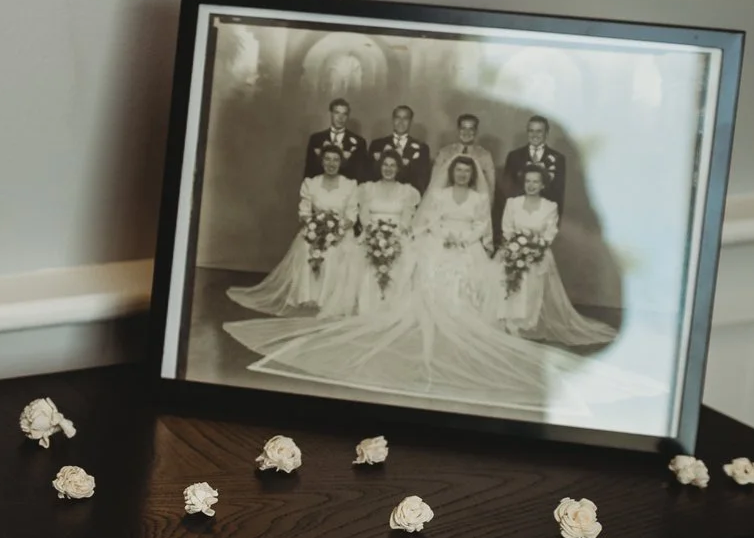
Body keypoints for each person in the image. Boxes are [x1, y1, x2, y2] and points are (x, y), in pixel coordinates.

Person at [224, 155, 654, 413]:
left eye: (468, 174)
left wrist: (464, 238)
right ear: (453, 176)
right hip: (440, 243)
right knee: (429, 263)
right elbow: (426, 224)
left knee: (468, 266)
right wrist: (441, 235)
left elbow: (486, 231)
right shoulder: (440, 196)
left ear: (473, 177)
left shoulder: (482, 200)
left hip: (465, 245)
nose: (463, 178)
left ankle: (467, 316)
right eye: (459, 174)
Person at [228, 144, 362, 317]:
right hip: (315, 230)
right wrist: (317, 227)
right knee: (307, 248)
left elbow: (351, 216)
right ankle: (307, 297)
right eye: (327, 159)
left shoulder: (349, 185)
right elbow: (305, 212)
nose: (331, 163)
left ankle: (328, 299)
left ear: (341, 163)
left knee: (335, 251)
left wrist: (334, 230)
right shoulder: (311, 184)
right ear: (321, 161)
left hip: (340, 233)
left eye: (336, 160)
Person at [497, 164, 615, 348]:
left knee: (533, 283)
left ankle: (527, 323)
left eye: (536, 182)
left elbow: (550, 232)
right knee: (509, 281)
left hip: (538, 252)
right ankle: (510, 321)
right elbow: (507, 228)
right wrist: (516, 245)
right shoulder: (513, 204)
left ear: (542, 185)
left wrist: (535, 246)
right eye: (528, 181)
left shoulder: (549, 207)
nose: (531, 185)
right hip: (514, 249)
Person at [349, 148, 423, 312]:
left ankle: (394, 304)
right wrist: (374, 234)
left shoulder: (407, 191)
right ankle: (369, 303)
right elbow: (364, 216)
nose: (388, 169)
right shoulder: (367, 188)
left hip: (396, 234)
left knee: (405, 256)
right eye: (385, 165)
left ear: (398, 169)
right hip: (371, 233)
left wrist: (391, 237)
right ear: (379, 167)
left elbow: (406, 218)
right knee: (361, 256)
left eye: (393, 165)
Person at [502, 115, 568, 208]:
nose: (534, 135)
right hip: (518, 211)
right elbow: (507, 189)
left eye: (539, 131)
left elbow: (558, 193)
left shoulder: (558, 159)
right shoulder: (514, 156)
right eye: (531, 131)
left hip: (545, 213)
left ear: (546, 133)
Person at [369, 105, 431, 194]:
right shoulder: (377, 145)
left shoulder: (422, 148)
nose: (401, 122)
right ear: (393, 120)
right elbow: (370, 175)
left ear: (411, 122)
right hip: (380, 194)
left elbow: (423, 179)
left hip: (407, 196)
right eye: (398, 118)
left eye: (405, 118)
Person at [301, 98, 367, 182]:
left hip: (347, 191)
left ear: (348, 116)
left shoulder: (359, 142)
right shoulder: (316, 139)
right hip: (319, 189)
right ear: (330, 113)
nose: (340, 118)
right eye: (337, 113)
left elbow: (360, 174)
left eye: (344, 114)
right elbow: (309, 170)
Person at [436, 113, 496, 201]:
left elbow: (490, 187)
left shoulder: (485, 155)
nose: (466, 133)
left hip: (474, 203)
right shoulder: (444, 153)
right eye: (463, 128)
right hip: (446, 200)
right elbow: (435, 182)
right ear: (458, 130)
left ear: (476, 131)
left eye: (471, 129)